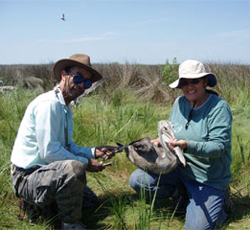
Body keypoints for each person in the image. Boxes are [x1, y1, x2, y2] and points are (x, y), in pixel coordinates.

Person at [10, 54, 117, 230]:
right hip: (27, 177)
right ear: (63, 75)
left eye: (87, 83)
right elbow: (50, 153)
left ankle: (38, 209)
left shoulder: (64, 107)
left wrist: (93, 152)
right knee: (74, 169)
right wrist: (86, 163)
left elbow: (67, 147)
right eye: (78, 78)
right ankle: (70, 224)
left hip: (45, 172)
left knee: (90, 201)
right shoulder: (49, 105)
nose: (82, 85)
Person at [129, 59, 233, 230]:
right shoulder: (179, 103)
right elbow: (172, 131)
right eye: (184, 82)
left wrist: (188, 146)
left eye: (195, 81)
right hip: (179, 169)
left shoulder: (219, 108)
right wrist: (159, 141)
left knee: (197, 228)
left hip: (207, 179)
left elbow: (218, 148)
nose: (189, 86)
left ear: (205, 82)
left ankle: (222, 205)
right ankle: (182, 194)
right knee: (138, 180)